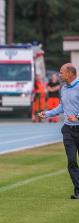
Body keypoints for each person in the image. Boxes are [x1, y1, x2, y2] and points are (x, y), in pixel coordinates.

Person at [38, 63, 79, 199]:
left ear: (70, 73)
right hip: (68, 130)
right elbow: (61, 107)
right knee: (72, 162)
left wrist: (78, 117)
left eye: (62, 73)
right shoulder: (64, 89)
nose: (60, 75)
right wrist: (47, 113)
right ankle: (78, 191)